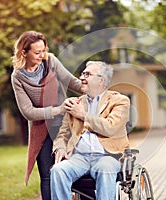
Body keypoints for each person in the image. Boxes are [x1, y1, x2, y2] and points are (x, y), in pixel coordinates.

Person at [11, 31, 82, 200]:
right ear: (24, 53)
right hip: (41, 129)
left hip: (65, 123)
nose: (42, 55)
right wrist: (57, 109)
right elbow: (28, 112)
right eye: (37, 52)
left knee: (77, 170)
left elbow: (72, 82)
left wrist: (92, 87)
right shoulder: (18, 77)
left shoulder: (50, 61)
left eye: (43, 50)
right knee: (47, 175)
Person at [50, 61, 130, 200]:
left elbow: (110, 127)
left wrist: (83, 115)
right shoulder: (76, 103)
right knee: (58, 170)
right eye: (82, 73)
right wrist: (60, 148)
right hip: (79, 157)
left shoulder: (120, 101)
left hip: (108, 156)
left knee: (105, 170)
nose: (81, 77)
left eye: (87, 74)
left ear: (101, 80)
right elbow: (63, 134)